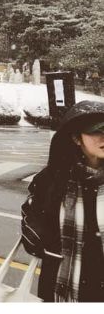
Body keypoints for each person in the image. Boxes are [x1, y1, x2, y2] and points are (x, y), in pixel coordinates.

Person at [21, 100, 104, 302]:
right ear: (76, 138)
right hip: (63, 284)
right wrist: (38, 236)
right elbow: (31, 220)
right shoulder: (53, 179)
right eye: (96, 131)